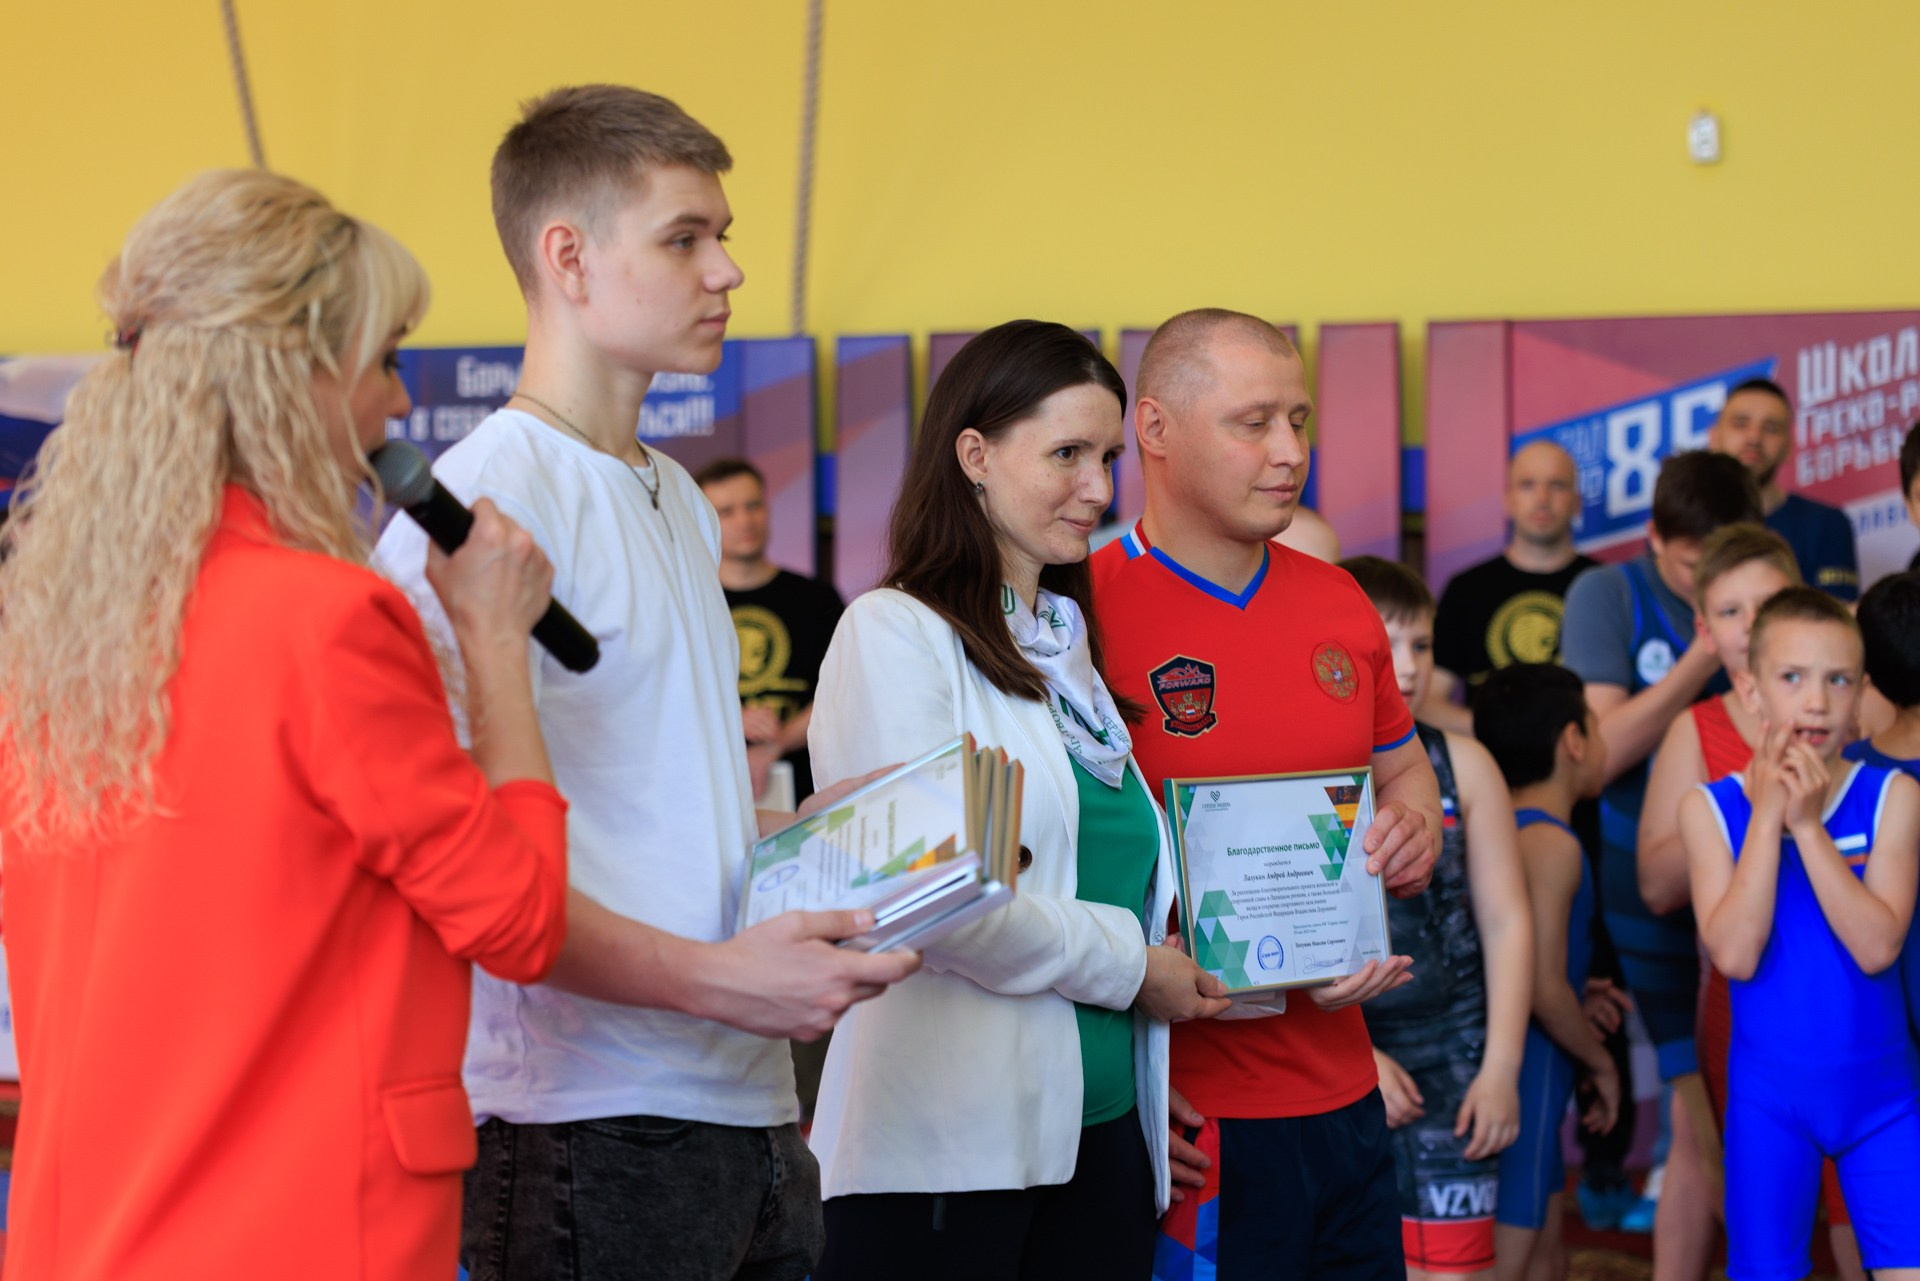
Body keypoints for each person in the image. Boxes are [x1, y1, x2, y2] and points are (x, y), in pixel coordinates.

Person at [372, 86, 917, 1281]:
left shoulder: (674, 495)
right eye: (683, 239)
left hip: (751, 1106)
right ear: (567, 257)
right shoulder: (476, 513)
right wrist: (723, 982)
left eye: (723, 235)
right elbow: (462, 875)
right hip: (579, 1118)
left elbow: (638, 804)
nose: (726, 271)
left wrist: (809, 832)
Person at [0, 171, 570, 1281]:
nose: (398, 403)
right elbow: (518, 918)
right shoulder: (328, 619)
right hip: (302, 1225)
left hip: (90, 1235)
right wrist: (497, 643)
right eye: (386, 358)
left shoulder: (61, 638)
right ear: (296, 372)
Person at [805, 320, 1232, 1281]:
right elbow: (931, 903)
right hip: (947, 1154)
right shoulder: (895, 634)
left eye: (1109, 457)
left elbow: (1094, 875)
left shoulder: (1066, 646)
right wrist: (1136, 967)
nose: (1100, 488)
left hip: (1103, 1140)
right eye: (1067, 454)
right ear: (975, 455)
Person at [1089, 308, 1439, 1281]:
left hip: (1348, 1093)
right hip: (1191, 1116)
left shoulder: (1339, 600)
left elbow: (1402, 767)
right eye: (1254, 423)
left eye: (1299, 420)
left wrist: (1415, 825)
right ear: (1155, 429)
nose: (1289, 451)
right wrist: (1125, 1086)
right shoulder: (1079, 611)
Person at [1681, 588, 1920, 1281]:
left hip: (1884, 1101)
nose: (1816, 702)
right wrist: (1767, 817)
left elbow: (1878, 947)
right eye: (1793, 677)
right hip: (1768, 1104)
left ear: (1862, 691)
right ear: (1750, 689)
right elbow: (1735, 952)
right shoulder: (1710, 809)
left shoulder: (1893, 797)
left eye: (1838, 680)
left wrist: (1809, 828)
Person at [1558, 449, 1759, 1258]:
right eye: (1690, 567)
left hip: (1756, 873)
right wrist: (1705, 655)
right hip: (1643, 874)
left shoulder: (1764, 597)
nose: (1706, 581)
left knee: (1716, 1099)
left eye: (1726, 565)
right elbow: (1599, 756)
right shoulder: (1608, 593)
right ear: (1652, 537)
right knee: (1692, 1094)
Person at [1342, 556, 1534, 1281]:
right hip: (1343, 1046)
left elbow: (1507, 922)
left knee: (1455, 1270)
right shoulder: (1303, 769)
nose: (1408, 666)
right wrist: (1356, 1054)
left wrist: (1501, 1068)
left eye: (1420, 645)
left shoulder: (1466, 764)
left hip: (1458, 1049)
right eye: (1385, 644)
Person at [1474, 665, 1622, 1281]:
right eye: (1597, 726)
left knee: (1546, 1255)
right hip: (1530, 1076)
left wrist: (1576, 985)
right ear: (1574, 741)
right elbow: (1538, 986)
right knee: (1510, 1260)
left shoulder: (1498, 830)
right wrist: (1600, 1061)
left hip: (1527, 1067)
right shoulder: (1552, 844)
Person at [695, 456, 845, 804]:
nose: (745, 520)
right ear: (703, 520)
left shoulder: (817, 599)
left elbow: (843, 691)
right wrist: (730, 718)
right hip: (709, 792)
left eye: (753, 506)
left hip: (809, 793)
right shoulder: (689, 604)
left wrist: (777, 742)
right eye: (726, 512)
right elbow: (664, 698)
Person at [1424, 440, 1596, 734]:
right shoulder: (1466, 589)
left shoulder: (1606, 587)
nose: (1542, 499)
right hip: (1486, 758)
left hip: (1579, 756)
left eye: (1556, 485)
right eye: (1528, 485)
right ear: (1508, 500)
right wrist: (1503, 734)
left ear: (1576, 502)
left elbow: (1614, 704)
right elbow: (1428, 701)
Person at [1707, 377, 1858, 601]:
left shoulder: (1827, 524)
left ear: (1789, 446)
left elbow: (1839, 615)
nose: (1754, 437)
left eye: (1771, 428)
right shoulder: (1689, 519)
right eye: (1740, 424)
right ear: (1714, 437)